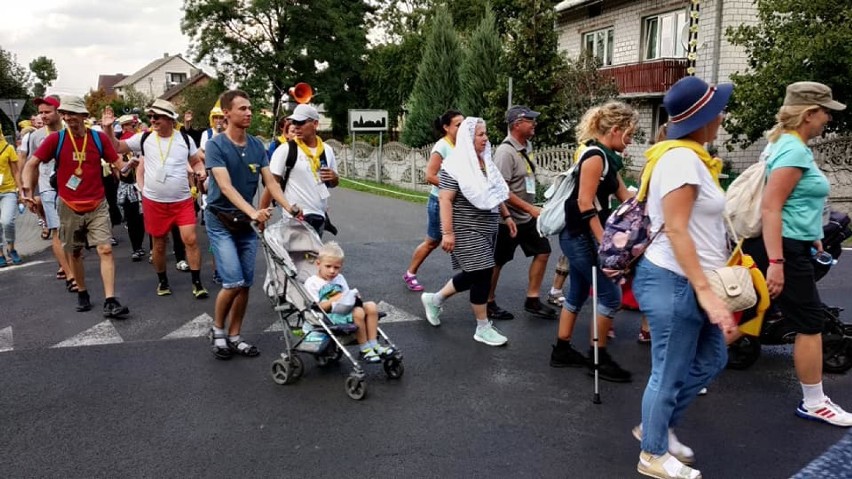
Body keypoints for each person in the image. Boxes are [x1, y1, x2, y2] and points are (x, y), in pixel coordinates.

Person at [630, 76, 737, 479]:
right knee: (669, 371)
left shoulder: (691, 158)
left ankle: (654, 426)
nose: (723, 116)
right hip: (674, 279)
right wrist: (707, 292)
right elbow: (676, 230)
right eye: (718, 110)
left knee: (712, 358)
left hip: (689, 280)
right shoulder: (680, 161)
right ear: (705, 118)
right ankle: (652, 453)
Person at [742, 81, 852, 427]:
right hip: (784, 249)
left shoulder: (788, 145)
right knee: (808, 323)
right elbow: (772, 208)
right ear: (808, 114)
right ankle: (814, 402)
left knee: (742, 317)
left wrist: (813, 237)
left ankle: (681, 375)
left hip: (793, 244)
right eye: (825, 113)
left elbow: (794, 203)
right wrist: (777, 263)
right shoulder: (792, 150)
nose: (828, 120)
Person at [203, 89, 300, 360]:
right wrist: (253, 211)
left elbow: (271, 182)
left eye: (250, 109)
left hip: (246, 223)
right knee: (232, 281)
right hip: (220, 219)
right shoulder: (216, 145)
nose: (248, 113)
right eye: (242, 109)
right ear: (227, 113)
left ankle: (235, 335)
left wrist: (290, 206)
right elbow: (225, 186)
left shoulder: (257, 145)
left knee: (245, 284)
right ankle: (218, 330)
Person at [549, 101, 637, 383]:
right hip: (580, 236)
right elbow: (585, 204)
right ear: (615, 130)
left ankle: (562, 351)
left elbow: (625, 196)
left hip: (585, 235)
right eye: (630, 134)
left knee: (577, 292)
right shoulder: (595, 156)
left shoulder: (608, 158)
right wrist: (604, 244)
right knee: (610, 296)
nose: (631, 140)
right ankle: (598, 357)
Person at [21, 95, 129, 317]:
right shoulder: (56, 139)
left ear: (84, 116)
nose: (68, 118)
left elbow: (120, 165)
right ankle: (82, 291)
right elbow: (31, 164)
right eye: (65, 114)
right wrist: (27, 191)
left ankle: (110, 299)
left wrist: (132, 166)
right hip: (68, 205)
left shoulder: (98, 139)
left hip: (98, 204)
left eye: (72, 113)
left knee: (105, 249)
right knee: (76, 252)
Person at [420, 117, 516, 346]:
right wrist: (448, 233)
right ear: (467, 138)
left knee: (474, 273)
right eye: (480, 134)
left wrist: (507, 215)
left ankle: (435, 299)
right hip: (465, 229)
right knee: (483, 272)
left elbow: (495, 192)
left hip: (487, 228)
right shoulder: (454, 166)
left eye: (486, 134)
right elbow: (444, 199)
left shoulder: (485, 162)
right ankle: (482, 327)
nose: (486, 138)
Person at [102, 100, 209, 299]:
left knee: (191, 240)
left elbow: (195, 161)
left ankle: (197, 282)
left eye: (156, 117)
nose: (152, 120)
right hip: (154, 202)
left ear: (169, 119)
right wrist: (108, 128)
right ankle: (162, 281)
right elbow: (117, 146)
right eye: (150, 117)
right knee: (158, 244)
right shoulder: (144, 138)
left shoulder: (184, 139)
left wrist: (200, 171)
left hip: (182, 200)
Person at [489, 105, 557, 320]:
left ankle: (532, 299)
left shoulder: (527, 146)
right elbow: (502, 191)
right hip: (506, 218)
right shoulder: (505, 152)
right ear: (517, 125)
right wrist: (529, 208)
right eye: (530, 120)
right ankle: (488, 301)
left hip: (526, 217)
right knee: (497, 261)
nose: (534, 123)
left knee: (543, 251)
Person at [402, 110, 464, 292]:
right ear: (446, 127)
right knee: (433, 241)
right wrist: (453, 186)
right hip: (439, 200)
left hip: (458, 201)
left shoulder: (463, 145)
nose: (462, 128)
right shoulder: (442, 146)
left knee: (463, 237)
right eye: (458, 125)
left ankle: (470, 274)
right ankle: (410, 273)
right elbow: (430, 175)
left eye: (464, 124)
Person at [304, 241, 394, 363]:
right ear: (318, 264)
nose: (332, 271)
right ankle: (364, 349)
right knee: (358, 312)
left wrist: (354, 297)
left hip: (344, 309)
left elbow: (346, 295)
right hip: (328, 315)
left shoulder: (339, 278)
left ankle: (374, 344)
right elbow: (317, 308)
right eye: (328, 266)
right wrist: (333, 300)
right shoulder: (312, 282)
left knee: (371, 306)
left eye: (336, 268)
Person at [21, 95, 76, 287]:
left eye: (47, 112)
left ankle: (70, 264)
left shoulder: (71, 132)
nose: (43, 116)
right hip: (48, 188)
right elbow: (32, 166)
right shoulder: (36, 137)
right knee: (56, 230)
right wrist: (30, 194)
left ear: (59, 113)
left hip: (71, 187)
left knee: (71, 231)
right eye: (40, 112)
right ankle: (70, 275)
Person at [263, 104, 339, 237]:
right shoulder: (285, 149)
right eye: (294, 122)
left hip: (319, 216)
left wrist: (334, 178)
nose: (296, 126)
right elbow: (271, 184)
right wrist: (261, 214)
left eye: (301, 122)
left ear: (315, 124)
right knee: (299, 256)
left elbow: (333, 183)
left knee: (313, 257)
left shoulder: (327, 150)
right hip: (295, 216)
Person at [113, 114, 146, 261]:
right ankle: (136, 248)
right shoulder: (120, 147)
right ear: (124, 127)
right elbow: (121, 173)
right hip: (128, 188)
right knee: (133, 220)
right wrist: (129, 165)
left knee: (145, 218)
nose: (133, 127)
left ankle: (152, 248)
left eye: (134, 125)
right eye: (129, 125)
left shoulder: (142, 141)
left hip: (144, 185)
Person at [0, 126, 22, 267]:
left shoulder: (8, 148)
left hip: (8, 190)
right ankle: (0, 254)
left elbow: (16, 171)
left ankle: (11, 248)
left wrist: (20, 190)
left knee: (7, 221)